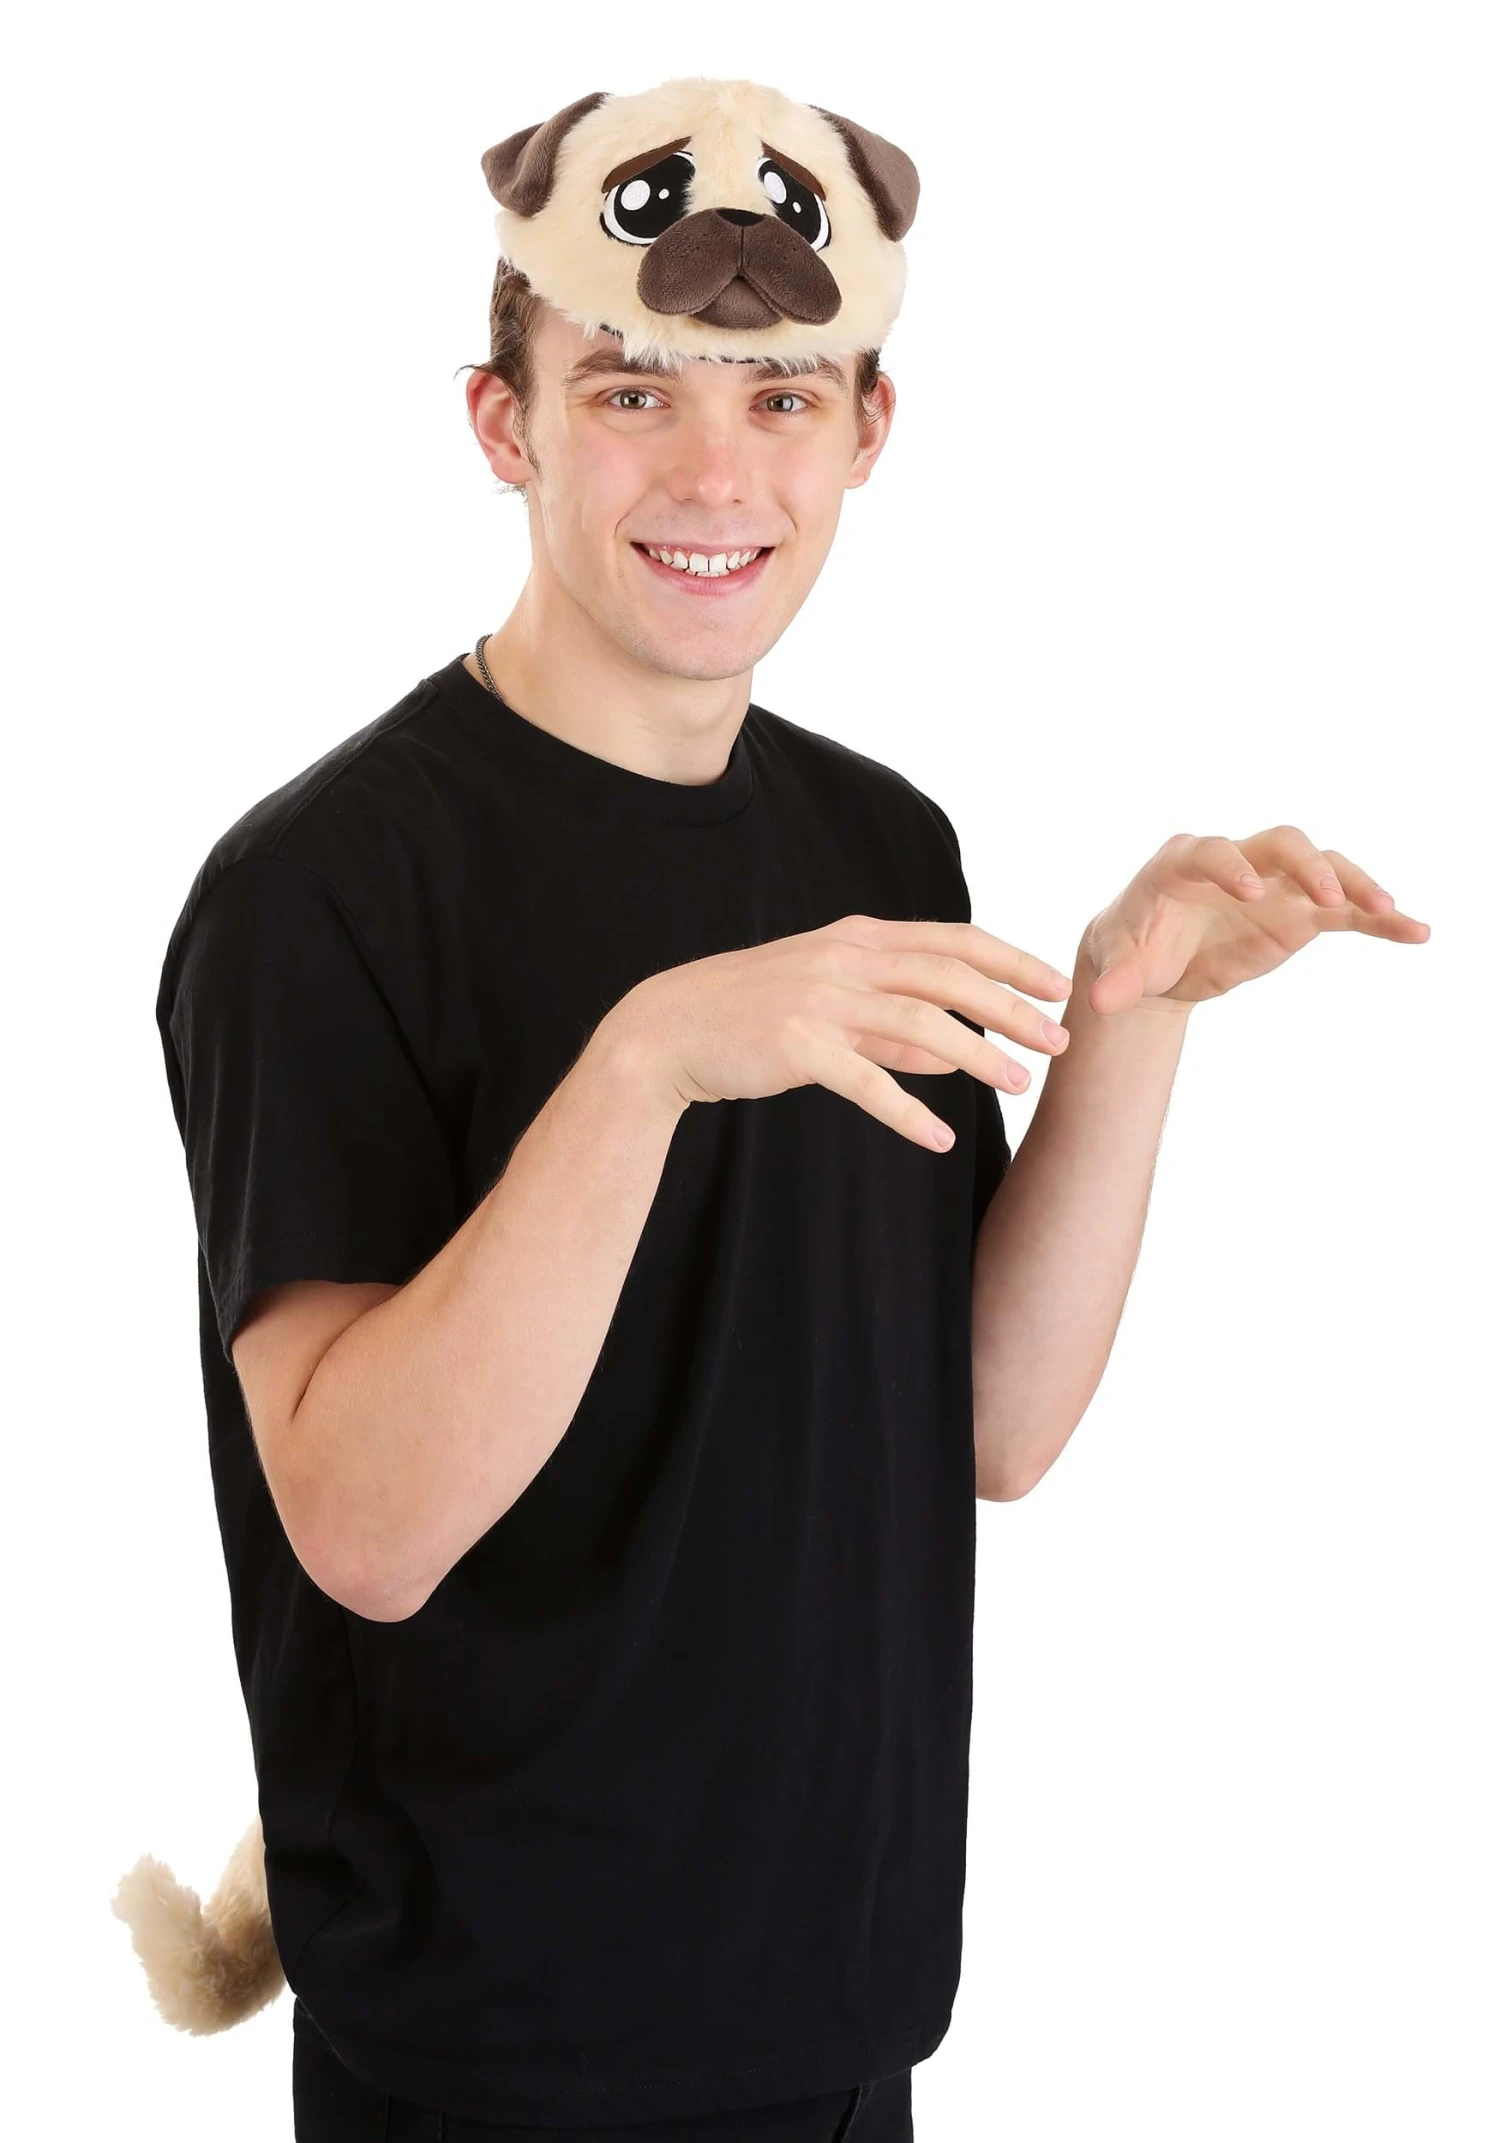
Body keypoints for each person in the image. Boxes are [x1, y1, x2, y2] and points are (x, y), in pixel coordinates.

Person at [118, 72, 1428, 2143]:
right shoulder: (321, 894)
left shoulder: (878, 842)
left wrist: (1133, 1017)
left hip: (840, 2012)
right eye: (633, 391)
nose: (716, 472)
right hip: (495, 2050)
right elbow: (363, 1531)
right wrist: (646, 1061)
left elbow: (985, 1425)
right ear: (503, 425)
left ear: (869, 431)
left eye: (786, 397)